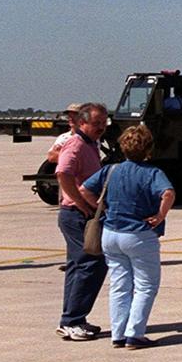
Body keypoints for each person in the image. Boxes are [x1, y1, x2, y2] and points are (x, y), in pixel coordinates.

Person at [78, 125, 174, 349]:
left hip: (111, 233)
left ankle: (118, 333)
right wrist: (160, 215)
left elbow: (84, 189)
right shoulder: (152, 172)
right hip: (138, 233)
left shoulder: (111, 170)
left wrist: (102, 207)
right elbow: (168, 193)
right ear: (148, 149)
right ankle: (135, 333)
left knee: (119, 284)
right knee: (145, 285)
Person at [54, 102, 109, 341]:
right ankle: (72, 320)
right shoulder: (76, 144)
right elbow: (63, 173)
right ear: (82, 122)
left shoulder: (91, 144)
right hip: (76, 214)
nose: (101, 127)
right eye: (96, 123)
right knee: (91, 263)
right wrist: (80, 202)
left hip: (81, 213)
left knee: (78, 266)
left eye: (104, 123)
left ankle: (73, 318)